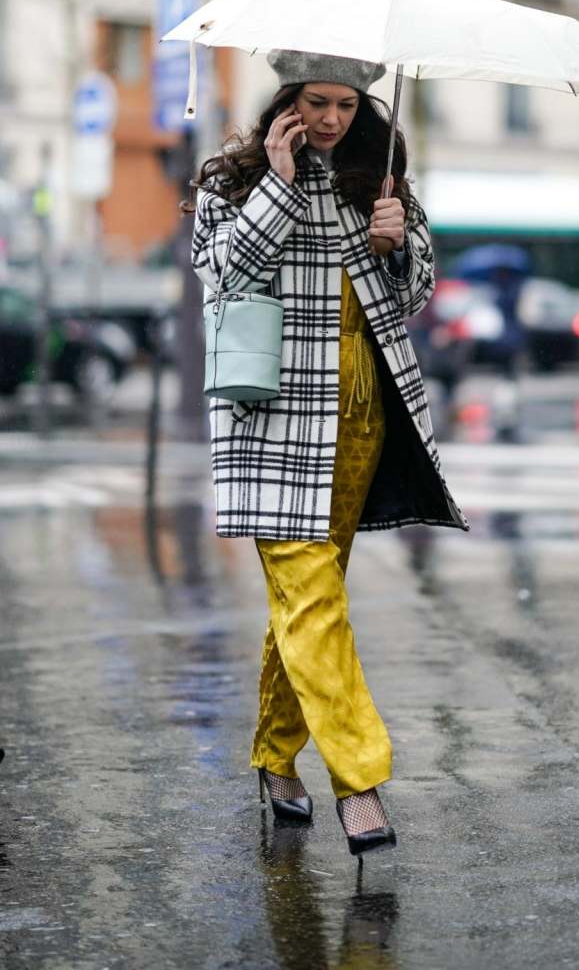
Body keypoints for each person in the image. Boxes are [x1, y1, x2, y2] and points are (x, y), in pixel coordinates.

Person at [188, 49, 467, 859]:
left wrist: (397, 244)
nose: (332, 119)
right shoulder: (232, 185)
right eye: (317, 102)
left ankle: (275, 760)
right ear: (287, 100)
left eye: (346, 105)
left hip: (361, 414)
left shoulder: (376, 180)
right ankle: (360, 781)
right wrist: (275, 185)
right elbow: (221, 275)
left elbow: (412, 298)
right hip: (272, 419)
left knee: (309, 602)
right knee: (312, 600)